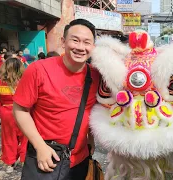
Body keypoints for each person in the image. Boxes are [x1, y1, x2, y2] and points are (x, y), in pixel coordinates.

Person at [13, 19, 100, 180]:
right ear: (63, 41)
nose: (80, 47)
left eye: (87, 42)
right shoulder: (39, 69)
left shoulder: (96, 75)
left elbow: (93, 110)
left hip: (80, 159)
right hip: (47, 158)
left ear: (93, 47)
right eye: (75, 40)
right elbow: (20, 109)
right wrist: (40, 146)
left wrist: (91, 139)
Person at [0, 58, 27, 173]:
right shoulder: (25, 82)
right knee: (25, 137)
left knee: (8, 138)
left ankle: (10, 164)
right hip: (24, 111)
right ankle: (24, 160)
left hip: (6, 113)